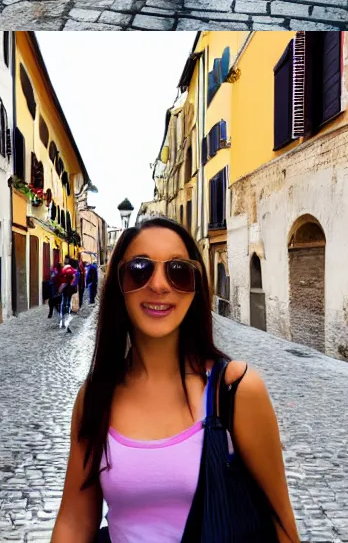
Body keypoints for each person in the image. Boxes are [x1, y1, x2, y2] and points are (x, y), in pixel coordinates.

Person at [50, 217, 300, 543]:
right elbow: (74, 521)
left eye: (178, 272)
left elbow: (282, 526)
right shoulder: (96, 397)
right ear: (119, 285)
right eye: (140, 269)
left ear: (195, 288)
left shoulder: (237, 390)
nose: (159, 285)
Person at [60, 261, 77, 334]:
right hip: (70, 290)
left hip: (65, 289)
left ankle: (62, 320)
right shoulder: (72, 271)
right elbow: (74, 279)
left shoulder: (64, 271)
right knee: (69, 302)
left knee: (63, 303)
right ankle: (68, 314)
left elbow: (62, 280)